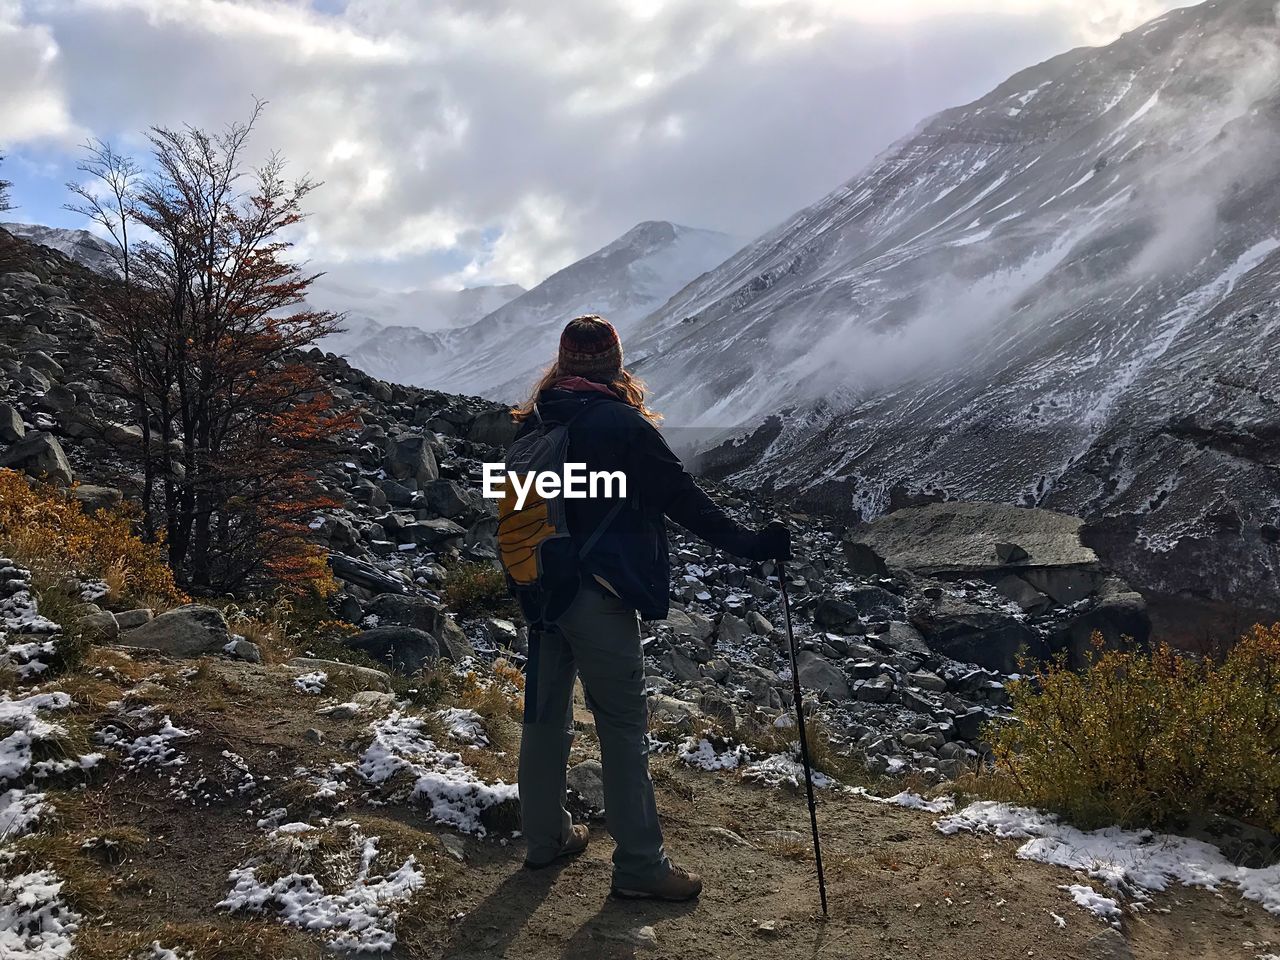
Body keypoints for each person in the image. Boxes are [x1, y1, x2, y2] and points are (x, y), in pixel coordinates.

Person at [511, 314, 791, 901]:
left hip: (539, 589)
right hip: (600, 594)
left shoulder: (531, 422)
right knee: (620, 726)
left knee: (544, 720)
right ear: (615, 364)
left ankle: (544, 839)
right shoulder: (621, 425)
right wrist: (751, 545)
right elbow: (680, 498)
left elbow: (514, 504)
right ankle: (639, 866)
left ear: (561, 365)